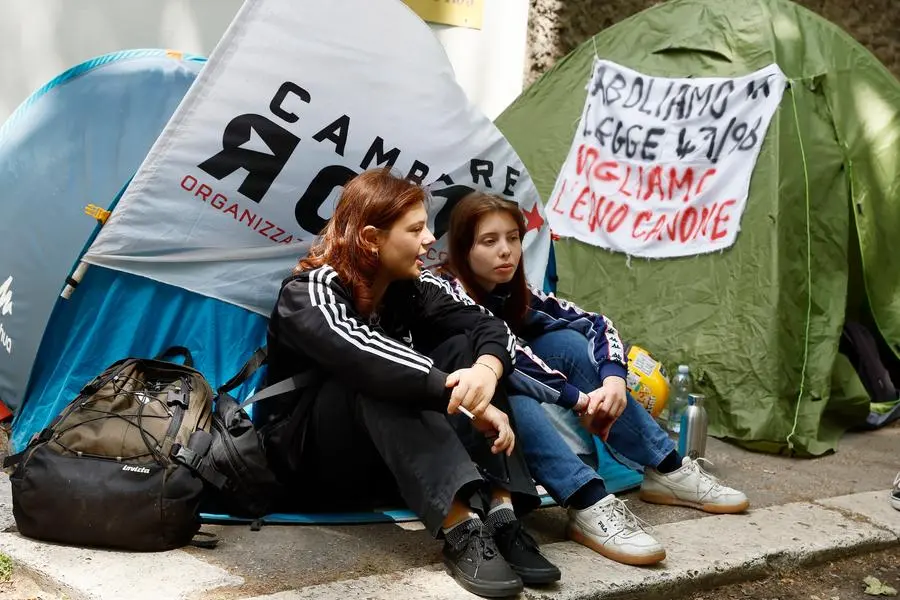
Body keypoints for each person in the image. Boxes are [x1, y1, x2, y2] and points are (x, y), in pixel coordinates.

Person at [262, 169, 560, 598]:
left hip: (389, 463)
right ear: (371, 238)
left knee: (463, 348)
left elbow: (488, 325)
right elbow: (364, 354)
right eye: (416, 229)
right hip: (312, 465)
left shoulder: (412, 286)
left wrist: (485, 372)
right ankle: (461, 529)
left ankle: (501, 514)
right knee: (376, 376)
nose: (429, 239)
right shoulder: (309, 291)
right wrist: (466, 401)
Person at [440, 191, 750, 566]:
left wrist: (614, 380)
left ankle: (666, 467)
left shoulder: (515, 294)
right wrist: (579, 400)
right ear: (463, 249)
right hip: (454, 419)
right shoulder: (448, 293)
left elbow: (596, 323)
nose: (506, 251)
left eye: (513, 238)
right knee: (510, 385)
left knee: (568, 342)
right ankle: (587, 501)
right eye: (489, 241)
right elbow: (511, 356)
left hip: (505, 410)